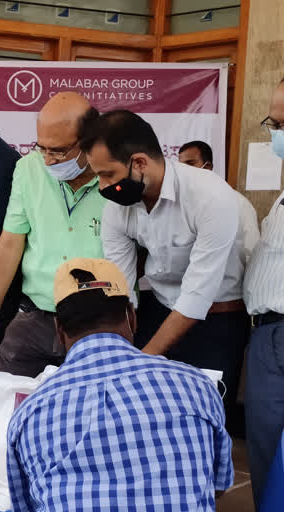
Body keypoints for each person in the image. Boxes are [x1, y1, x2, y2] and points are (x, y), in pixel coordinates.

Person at [7, 257, 234, 511]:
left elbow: (25, 504)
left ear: (60, 331)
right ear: (131, 317)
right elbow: (218, 484)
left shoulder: (29, 415)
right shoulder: (195, 386)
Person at [84, 110, 249, 419]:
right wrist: (119, 352)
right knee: (145, 417)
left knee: (203, 420)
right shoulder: (118, 208)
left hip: (216, 323)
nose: (102, 186)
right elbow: (121, 286)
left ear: (140, 163)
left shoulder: (211, 197)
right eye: (97, 176)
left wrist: (141, 361)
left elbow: (196, 297)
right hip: (157, 310)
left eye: (108, 174)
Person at [0, 92, 104, 378]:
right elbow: (10, 243)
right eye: (42, 148)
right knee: (6, 405)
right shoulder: (29, 168)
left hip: (99, 322)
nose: (49, 161)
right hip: (35, 315)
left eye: (58, 151)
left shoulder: (117, 177)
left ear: (89, 141)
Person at [243, 77, 284, 508]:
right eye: (274, 122)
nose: (277, 134)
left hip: (279, 335)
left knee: (274, 457)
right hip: (266, 335)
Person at [179, 140, 260, 262]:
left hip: (227, 280)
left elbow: (252, 252)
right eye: (180, 165)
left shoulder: (238, 203)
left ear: (207, 167)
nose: (183, 169)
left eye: (190, 163)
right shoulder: (179, 203)